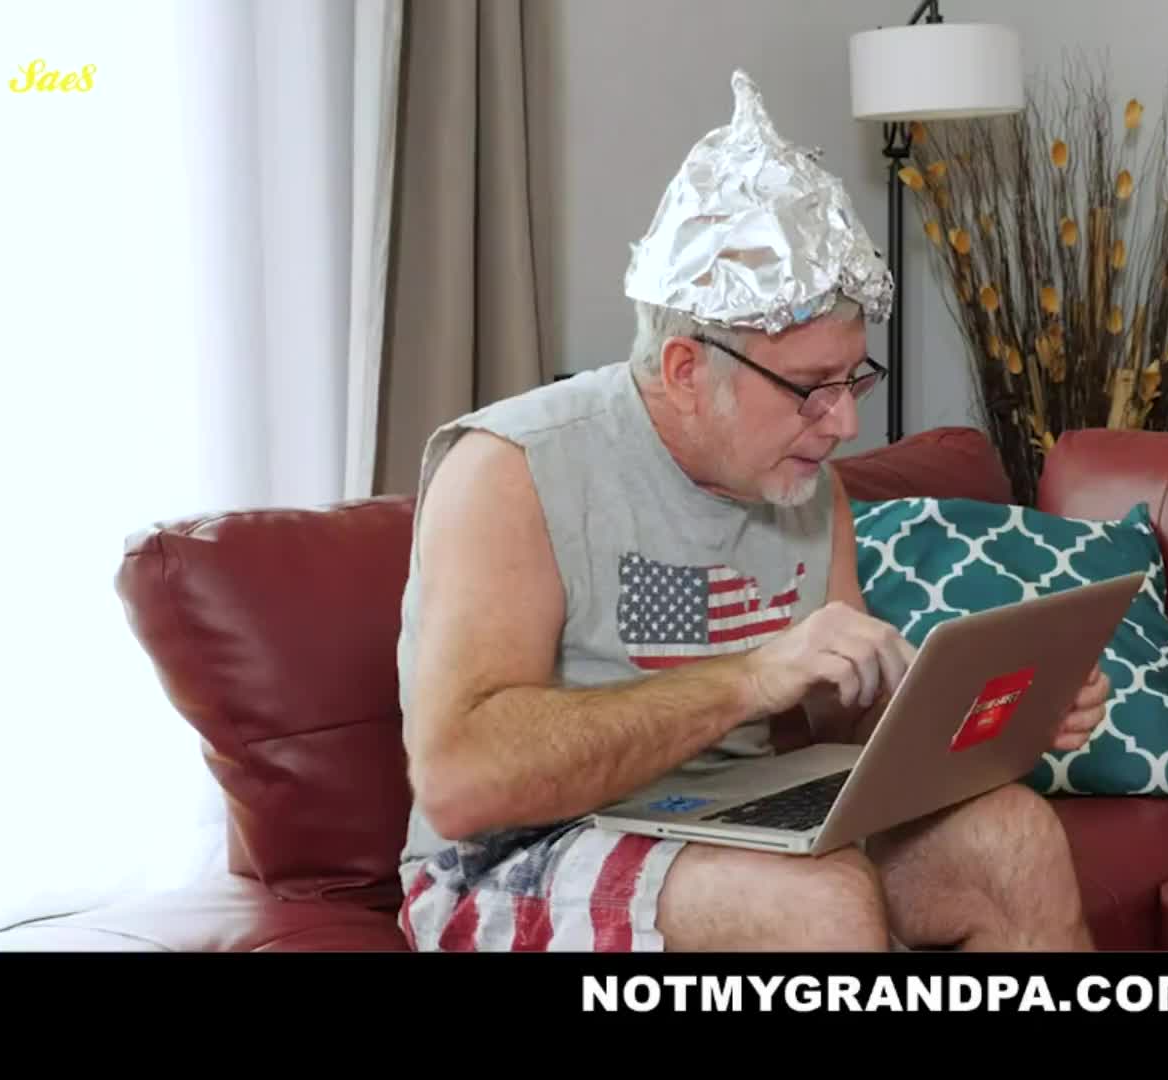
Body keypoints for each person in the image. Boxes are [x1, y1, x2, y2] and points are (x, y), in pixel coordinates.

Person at [392, 70, 1110, 952]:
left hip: (734, 814)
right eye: (811, 388)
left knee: (1014, 841)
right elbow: (461, 781)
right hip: (517, 852)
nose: (843, 424)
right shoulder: (512, 469)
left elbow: (841, 719)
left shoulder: (807, 485)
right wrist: (750, 678)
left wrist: (990, 715)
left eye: (853, 380)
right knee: (817, 902)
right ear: (687, 371)